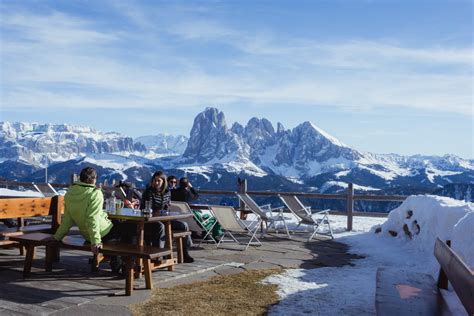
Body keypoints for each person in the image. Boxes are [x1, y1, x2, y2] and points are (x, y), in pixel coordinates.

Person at [52, 167, 135, 273]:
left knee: (119, 225)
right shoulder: (95, 193)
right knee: (131, 229)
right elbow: (92, 218)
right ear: (94, 179)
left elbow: (67, 220)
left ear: (80, 178)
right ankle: (127, 265)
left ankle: (117, 259)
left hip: (87, 235)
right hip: (102, 233)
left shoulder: (70, 193)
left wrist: (57, 237)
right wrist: (96, 241)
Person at [141, 171, 194, 263]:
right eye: (155, 180)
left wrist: (166, 209)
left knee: (183, 225)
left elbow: (166, 206)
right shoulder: (148, 192)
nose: (156, 182)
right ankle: (158, 255)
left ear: (163, 182)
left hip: (163, 218)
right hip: (151, 220)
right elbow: (146, 207)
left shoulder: (167, 192)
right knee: (160, 227)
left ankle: (185, 253)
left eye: (159, 180)